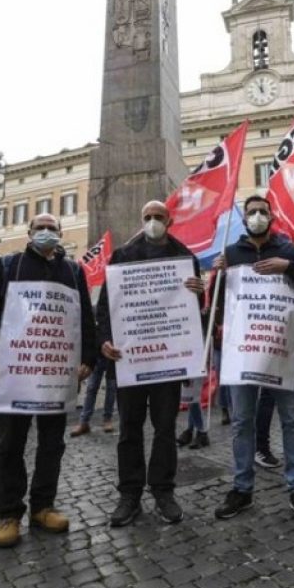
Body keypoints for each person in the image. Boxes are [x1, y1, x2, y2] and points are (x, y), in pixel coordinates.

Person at [0, 213, 95, 548]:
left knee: (52, 442)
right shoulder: (7, 266)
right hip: (16, 372)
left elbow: (85, 315)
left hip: (55, 373)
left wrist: (88, 357)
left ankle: (43, 506)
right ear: (29, 234)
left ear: (60, 234)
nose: (46, 233)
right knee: (10, 443)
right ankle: (9, 514)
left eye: (51, 229)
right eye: (39, 228)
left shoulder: (73, 270)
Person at [213, 195, 294, 522]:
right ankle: (242, 488)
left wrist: (289, 267)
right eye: (252, 212)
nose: (258, 216)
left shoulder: (288, 249)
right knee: (242, 421)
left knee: (292, 420)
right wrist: (215, 278)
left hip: (283, 352)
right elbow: (220, 301)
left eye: (263, 211)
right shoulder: (230, 255)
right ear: (244, 219)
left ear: (271, 217)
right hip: (243, 353)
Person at [98, 200, 204, 527]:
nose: (154, 221)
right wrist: (105, 341)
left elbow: (192, 312)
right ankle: (129, 494)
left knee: (164, 429)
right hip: (130, 361)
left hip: (168, 363)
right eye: (148, 217)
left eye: (159, 217)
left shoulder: (186, 259)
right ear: (141, 220)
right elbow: (105, 308)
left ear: (169, 221)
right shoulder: (122, 257)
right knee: (129, 430)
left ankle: (163, 491)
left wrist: (199, 294)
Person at [71, 352, 115, 436]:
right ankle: (84, 421)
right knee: (92, 387)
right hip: (97, 353)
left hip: (111, 352)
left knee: (111, 387)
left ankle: (107, 419)